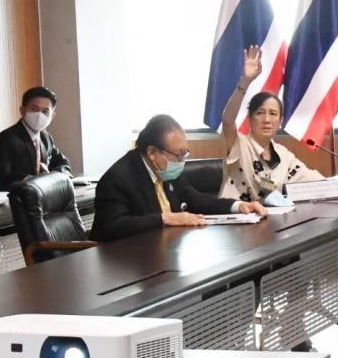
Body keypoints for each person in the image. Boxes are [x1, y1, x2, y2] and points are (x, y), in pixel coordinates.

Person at [91, 114, 266, 243]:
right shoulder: (118, 178)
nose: (182, 161)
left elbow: (196, 200)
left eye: (185, 154)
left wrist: (238, 206)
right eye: (178, 155)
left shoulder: (166, 171)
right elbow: (112, 227)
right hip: (126, 261)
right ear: (152, 152)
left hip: (163, 250)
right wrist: (165, 218)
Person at [219, 45, 323, 203]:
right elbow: (227, 121)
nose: (267, 119)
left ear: (280, 121)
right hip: (236, 214)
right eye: (260, 113)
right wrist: (244, 82)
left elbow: (312, 179)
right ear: (250, 119)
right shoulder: (239, 145)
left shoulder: (283, 155)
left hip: (270, 216)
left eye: (273, 114)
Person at [0, 86, 73, 190]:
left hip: (43, 195)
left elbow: (63, 163)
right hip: (17, 196)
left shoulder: (45, 137)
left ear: (52, 116)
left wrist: (54, 176)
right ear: (22, 110)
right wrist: (37, 180)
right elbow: (0, 178)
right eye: (34, 109)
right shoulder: (5, 139)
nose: (39, 115)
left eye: (45, 111)